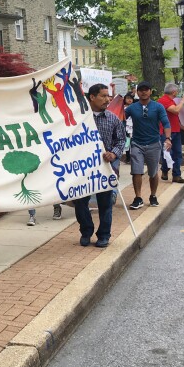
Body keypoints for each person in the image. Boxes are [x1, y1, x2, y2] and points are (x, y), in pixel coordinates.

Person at [74, 84, 127, 248]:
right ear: (92, 97)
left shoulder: (113, 118)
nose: (108, 99)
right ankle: (86, 231)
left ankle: (104, 235)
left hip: (104, 167)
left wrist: (114, 153)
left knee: (105, 203)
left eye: (108, 96)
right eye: (103, 96)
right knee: (80, 202)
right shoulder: (78, 118)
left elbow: (121, 140)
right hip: (82, 168)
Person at [125, 81, 171, 210]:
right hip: (136, 143)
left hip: (153, 143)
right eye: (141, 90)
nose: (144, 92)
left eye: (146, 89)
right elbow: (120, 118)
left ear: (150, 91)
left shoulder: (158, 107)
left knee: (153, 172)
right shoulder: (132, 108)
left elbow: (166, 123)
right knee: (136, 171)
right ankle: (138, 198)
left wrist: (168, 138)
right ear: (137, 92)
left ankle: (153, 195)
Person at [157, 83, 184, 183]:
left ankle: (176, 175)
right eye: (177, 92)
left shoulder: (171, 101)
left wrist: (182, 127)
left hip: (176, 131)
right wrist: (183, 101)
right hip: (166, 132)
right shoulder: (163, 100)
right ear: (174, 92)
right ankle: (165, 170)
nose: (178, 93)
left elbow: (174, 118)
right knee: (168, 153)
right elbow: (175, 111)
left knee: (177, 154)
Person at [122, 93, 135, 163]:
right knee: (127, 143)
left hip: (133, 128)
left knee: (133, 144)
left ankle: (133, 158)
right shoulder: (122, 107)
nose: (129, 100)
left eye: (131, 98)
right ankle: (128, 158)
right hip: (125, 127)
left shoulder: (135, 107)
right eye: (128, 98)